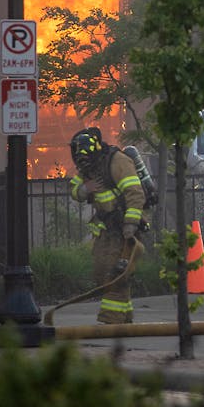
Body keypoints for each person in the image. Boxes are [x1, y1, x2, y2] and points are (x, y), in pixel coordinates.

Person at [67, 126, 146, 324]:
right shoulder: (90, 167)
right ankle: (124, 316)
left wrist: (130, 224)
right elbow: (74, 189)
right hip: (106, 228)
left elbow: (135, 193)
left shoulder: (118, 162)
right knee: (101, 271)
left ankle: (112, 318)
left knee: (116, 272)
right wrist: (86, 188)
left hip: (125, 226)